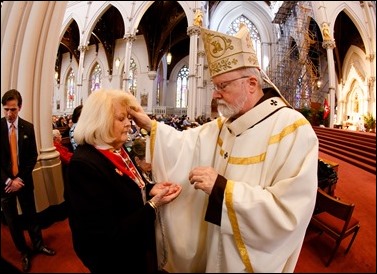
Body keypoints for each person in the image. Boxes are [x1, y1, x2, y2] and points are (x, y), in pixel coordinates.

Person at [128, 24, 319, 273]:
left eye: (223, 86)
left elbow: (291, 211)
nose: (215, 95)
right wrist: (151, 126)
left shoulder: (292, 129)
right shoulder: (225, 124)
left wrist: (222, 188)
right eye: (215, 86)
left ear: (251, 83)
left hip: (251, 257)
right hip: (216, 241)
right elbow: (187, 143)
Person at [64, 89, 182, 273]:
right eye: (121, 119)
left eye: (128, 117)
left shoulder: (115, 147)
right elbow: (105, 232)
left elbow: (129, 183)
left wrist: (151, 188)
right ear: (100, 120)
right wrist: (153, 205)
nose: (129, 124)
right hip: (113, 257)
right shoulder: (84, 165)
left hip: (133, 243)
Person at [1, 89, 56, 273]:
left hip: (23, 182)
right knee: (13, 222)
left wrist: (20, 179)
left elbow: (32, 156)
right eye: (6, 109)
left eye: (13, 109)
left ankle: (38, 245)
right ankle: (23, 252)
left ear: (20, 107)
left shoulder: (28, 127)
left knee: (31, 215)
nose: (9, 114)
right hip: (5, 186)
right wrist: (9, 180)